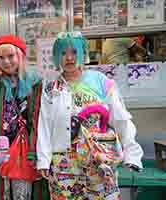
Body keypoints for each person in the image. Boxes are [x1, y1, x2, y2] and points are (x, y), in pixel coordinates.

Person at [37, 32, 144, 200]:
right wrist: (43, 159)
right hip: (64, 163)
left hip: (99, 157)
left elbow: (120, 118)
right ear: (57, 56)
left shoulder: (101, 81)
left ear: (83, 53)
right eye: (63, 53)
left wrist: (132, 152)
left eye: (74, 52)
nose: (69, 58)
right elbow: (44, 124)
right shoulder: (51, 88)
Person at [0, 35, 49, 200]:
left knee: (22, 193)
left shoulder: (35, 83)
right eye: (0, 58)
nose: (6, 61)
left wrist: (35, 151)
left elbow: (38, 120)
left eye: (10, 56)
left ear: (20, 56)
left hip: (24, 150)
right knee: (0, 191)